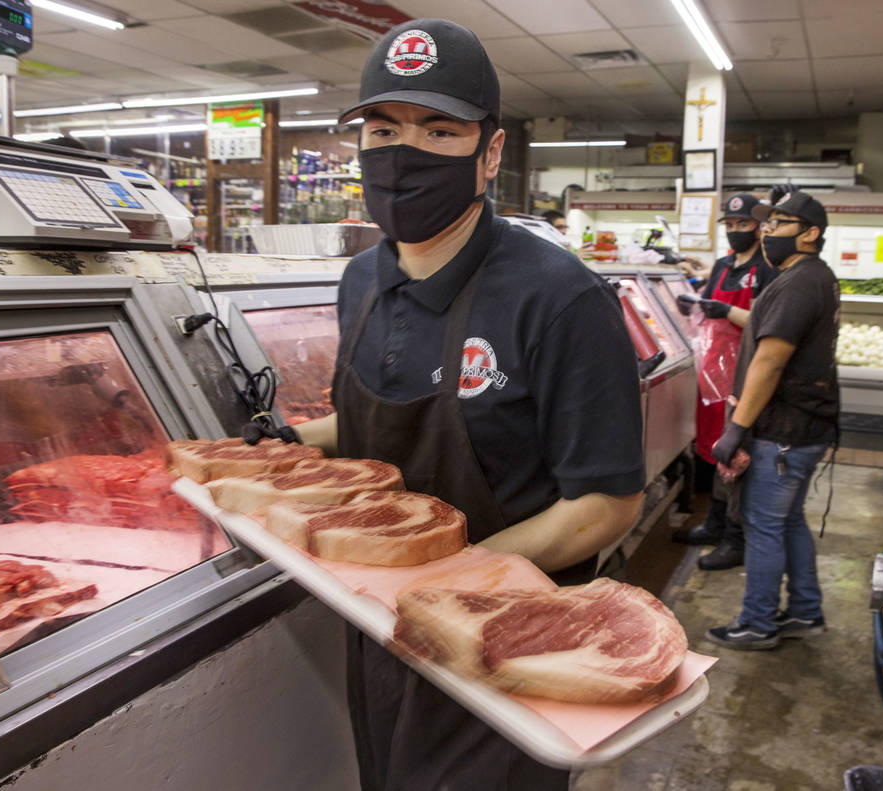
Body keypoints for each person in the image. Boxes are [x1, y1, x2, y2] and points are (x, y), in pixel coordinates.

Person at [252, 18, 646, 790]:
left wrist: (461, 583)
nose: (406, 153)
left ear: (489, 151)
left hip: (509, 643)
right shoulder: (359, 281)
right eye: (384, 128)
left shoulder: (560, 298)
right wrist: (287, 442)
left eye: (439, 130)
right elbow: (369, 420)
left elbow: (605, 503)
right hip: (381, 626)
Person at [705, 190, 840, 650]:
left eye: (779, 224)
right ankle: (805, 610)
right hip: (802, 429)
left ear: (810, 234)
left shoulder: (800, 282)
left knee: (764, 526)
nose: (766, 233)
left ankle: (757, 623)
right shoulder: (809, 277)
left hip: (781, 432)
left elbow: (770, 361)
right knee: (790, 522)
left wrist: (737, 429)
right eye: (766, 224)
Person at [671, 193, 777, 571]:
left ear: (759, 227)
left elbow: (769, 326)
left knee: (738, 452)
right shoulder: (722, 264)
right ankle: (715, 521)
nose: (734, 231)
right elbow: (707, 307)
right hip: (714, 372)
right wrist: (695, 303)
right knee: (715, 447)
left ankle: (736, 535)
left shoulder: (766, 269)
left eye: (742, 224)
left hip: (747, 370)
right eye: (729, 226)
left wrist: (728, 311)